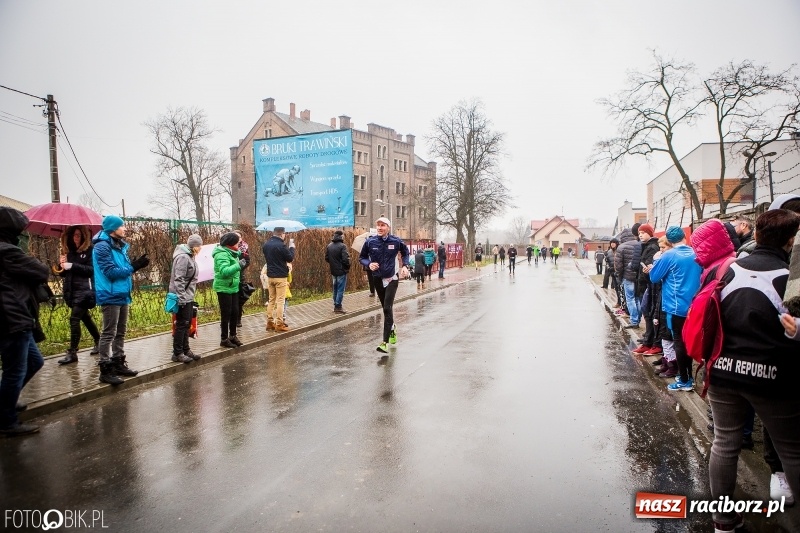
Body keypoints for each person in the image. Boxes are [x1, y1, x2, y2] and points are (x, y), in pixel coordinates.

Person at [706, 209, 800, 532]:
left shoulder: (727, 270)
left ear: (756, 235)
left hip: (723, 370)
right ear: (791, 241)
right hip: (771, 378)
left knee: (724, 442)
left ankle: (722, 521)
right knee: (792, 450)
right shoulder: (789, 277)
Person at [0, 207, 49, 436]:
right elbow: (40, 271)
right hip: (12, 317)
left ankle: (6, 402)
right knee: (15, 370)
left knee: (34, 361)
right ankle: (7, 421)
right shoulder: (7, 252)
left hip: (16, 316)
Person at [93, 215, 149, 385]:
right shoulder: (102, 247)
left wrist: (132, 265)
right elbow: (110, 272)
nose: (125, 228)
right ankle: (105, 368)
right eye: (122, 226)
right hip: (110, 294)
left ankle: (118, 363)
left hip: (122, 293)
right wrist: (134, 266)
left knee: (120, 331)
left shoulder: (118, 246)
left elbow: (122, 269)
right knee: (108, 332)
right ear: (112, 229)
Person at [648, 226, 701, 391]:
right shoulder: (696, 253)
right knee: (690, 341)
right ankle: (689, 377)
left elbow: (654, 277)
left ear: (669, 241)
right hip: (695, 305)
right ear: (685, 236)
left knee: (679, 341)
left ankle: (685, 380)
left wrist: (657, 260)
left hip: (676, 306)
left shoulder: (668, 255)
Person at [360, 217, 410, 354]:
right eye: (378, 226)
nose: (380, 228)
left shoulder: (396, 241)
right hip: (377, 278)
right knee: (385, 308)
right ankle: (392, 328)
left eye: (383, 225)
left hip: (392, 277)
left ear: (388, 227)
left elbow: (406, 252)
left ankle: (384, 343)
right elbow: (362, 257)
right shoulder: (370, 242)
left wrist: (405, 266)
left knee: (387, 308)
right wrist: (368, 264)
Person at [54, 225, 100, 365]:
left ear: (84, 237)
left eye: (79, 235)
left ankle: (72, 352)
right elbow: (63, 274)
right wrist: (61, 266)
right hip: (72, 291)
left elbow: (91, 270)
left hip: (86, 291)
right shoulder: (68, 253)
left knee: (74, 319)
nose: (76, 238)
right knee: (85, 318)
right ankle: (99, 340)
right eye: (73, 235)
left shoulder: (89, 251)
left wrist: (72, 265)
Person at [169, 234, 203, 363]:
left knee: (187, 323)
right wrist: (182, 297)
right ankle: (177, 353)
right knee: (182, 324)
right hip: (181, 296)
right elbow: (179, 278)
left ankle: (186, 349)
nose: (200, 248)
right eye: (199, 246)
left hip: (188, 296)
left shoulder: (190, 256)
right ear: (194, 246)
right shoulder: (183, 257)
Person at [213, 232, 244, 348]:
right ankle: (224, 339)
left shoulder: (233, 253)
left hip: (233, 287)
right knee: (226, 314)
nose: (239, 244)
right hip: (223, 287)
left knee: (235, 312)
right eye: (237, 242)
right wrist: (238, 265)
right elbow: (224, 271)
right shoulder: (221, 254)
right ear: (231, 244)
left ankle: (233, 335)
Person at [263, 226, 295, 332]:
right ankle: (279, 324)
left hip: (270, 276)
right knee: (280, 301)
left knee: (271, 300)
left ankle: (269, 322)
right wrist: (291, 247)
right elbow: (290, 258)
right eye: (284, 233)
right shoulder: (281, 245)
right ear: (281, 234)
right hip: (280, 276)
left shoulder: (266, 244)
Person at [635, 224, 661, 352]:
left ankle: (651, 342)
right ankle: (649, 340)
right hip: (646, 284)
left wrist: (646, 272)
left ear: (650, 233)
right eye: (639, 233)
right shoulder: (646, 246)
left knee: (649, 312)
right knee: (647, 312)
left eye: (643, 232)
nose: (640, 235)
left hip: (649, 285)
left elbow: (651, 267)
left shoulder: (652, 247)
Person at [614, 227, 642, 328]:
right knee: (638, 298)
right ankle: (638, 319)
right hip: (638, 277)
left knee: (630, 299)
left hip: (627, 277)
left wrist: (619, 276)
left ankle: (634, 321)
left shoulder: (621, 247)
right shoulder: (640, 245)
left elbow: (618, 265)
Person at [325, 230, 350, 314]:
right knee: (340, 289)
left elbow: (327, 258)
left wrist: (333, 263)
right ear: (341, 236)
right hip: (341, 271)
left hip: (333, 270)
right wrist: (347, 267)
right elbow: (346, 259)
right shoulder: (343, 246)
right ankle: (338, 306)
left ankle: (336, 304)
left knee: (335, 289)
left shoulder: (329, 246)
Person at [234, 230, 251, 328]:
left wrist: (239, 268)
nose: (237, 238)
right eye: (235, 236)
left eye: (238, 237)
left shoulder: (244, 248)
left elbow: (247, 261)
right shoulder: (226, 247)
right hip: (229, 277)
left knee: (239, 300)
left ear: (241, 238)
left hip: (240, 276)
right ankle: (227, 320)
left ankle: (238, 320)